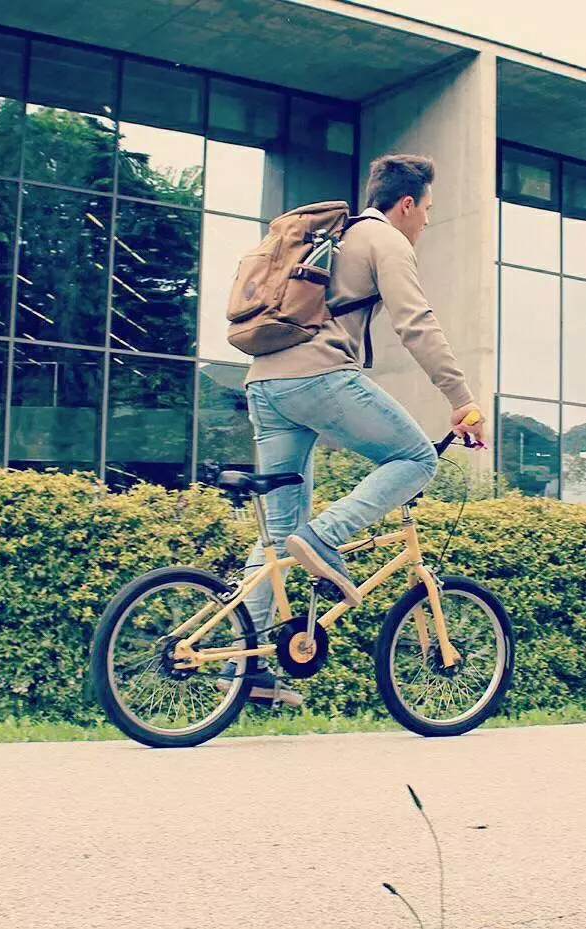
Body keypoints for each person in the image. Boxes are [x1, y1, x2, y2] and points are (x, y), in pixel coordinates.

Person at [228, 153, 486, 707]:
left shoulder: (337, 237)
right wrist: (462, 401)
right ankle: (326, 537)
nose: (427, 222)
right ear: (407, 202)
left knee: (277, 536)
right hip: (317, 378)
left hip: (265, 385)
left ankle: (243, 667)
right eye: (427, 210)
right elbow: (416, 322)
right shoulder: (385, 240)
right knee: (417, 458)